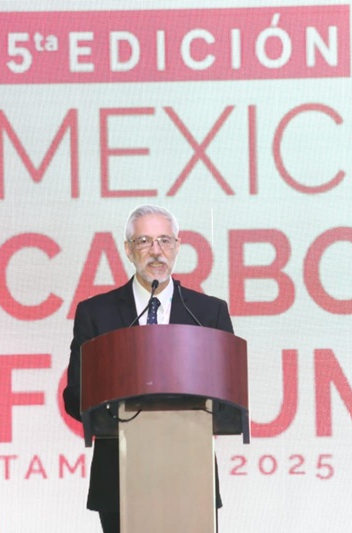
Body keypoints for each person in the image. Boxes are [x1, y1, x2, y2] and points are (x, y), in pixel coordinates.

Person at [62, 205, 234, 533]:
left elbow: (228, 392)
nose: (156, 251)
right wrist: (117, 406)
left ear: (177, 247)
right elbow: (75, 395)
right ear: (128, 250)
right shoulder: (96, 313)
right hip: (118, 478)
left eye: (164, 241)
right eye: (144, 241)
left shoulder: (207, 313)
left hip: (191, 476)